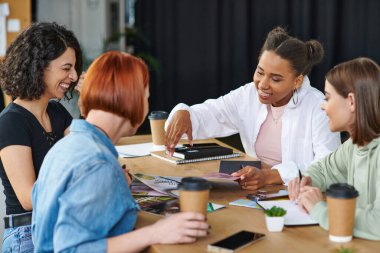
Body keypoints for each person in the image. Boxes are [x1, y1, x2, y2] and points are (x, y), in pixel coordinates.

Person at [31, 51, 210, 252]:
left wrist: (115, 186)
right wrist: (155, 233)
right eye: (146, 97)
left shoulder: (67, 146)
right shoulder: (97, 164)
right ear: (132, 100)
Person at [165, 27, 340, 190]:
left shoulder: (320, 107)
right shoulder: (248, 94)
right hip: (254, 190)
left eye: (276, 79)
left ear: (297, 81)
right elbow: (210, 115)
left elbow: (328, 169)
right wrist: (184, 113)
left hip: (297, 196)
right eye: (260, 72)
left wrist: (269, 176)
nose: (263, 84)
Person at [0, 22, 82, 252]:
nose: (74, 76)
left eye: (74, 68)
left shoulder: (57, 113)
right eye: (66, 68)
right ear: (39, 67)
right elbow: (29, 197)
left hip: (60, 223)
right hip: (26, 233)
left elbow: (84, 158)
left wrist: (93, 102)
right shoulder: (11, 122)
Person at [288, 58, 380, 240]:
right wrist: (307, 181)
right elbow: (324, 169)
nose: (323, 106)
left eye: (328, 98)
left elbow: (377, 223)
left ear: (351, 101)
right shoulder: (353, 145)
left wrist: (320, 210)